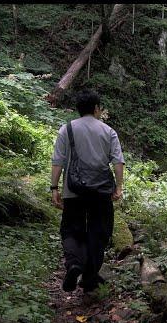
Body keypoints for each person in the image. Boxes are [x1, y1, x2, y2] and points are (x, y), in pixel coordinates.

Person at [50, 89, 125, 293]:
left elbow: (57, 161)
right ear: (96, 108)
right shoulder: (108, 131)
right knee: (99, 232)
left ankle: (74, 264)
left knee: (71, 228)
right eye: (100, 108)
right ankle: (90, 276)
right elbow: (118, 162)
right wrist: (118, 186)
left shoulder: (67, 130)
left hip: (73, 190)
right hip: (100, 191)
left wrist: (54, 187)